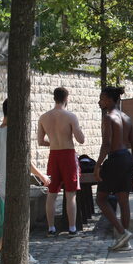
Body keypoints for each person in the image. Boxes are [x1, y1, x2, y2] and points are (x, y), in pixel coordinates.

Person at [0, 99, 50, 264]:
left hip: (2, 181)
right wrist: (41, 175)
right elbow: (26, 160)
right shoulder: (17, 132)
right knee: (18, 220)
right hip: (15, 182)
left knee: (15, 218)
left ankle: (24, 255)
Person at [94, 86, 133, 250]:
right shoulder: (126, 117)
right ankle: (124, 241)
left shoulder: (108, 117)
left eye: (102, 98)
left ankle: (122, 232)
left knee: (100, 198)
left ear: (111, 99)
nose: (100, 101)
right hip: (126, 158)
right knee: (123, 200)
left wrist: (97, 166)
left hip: (115, 159)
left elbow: (106, 144)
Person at [37, 87, 85, 237]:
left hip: (54, 155)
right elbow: (81, 140)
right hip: (68, 155)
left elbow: (40, 141)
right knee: (70, 193)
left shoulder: (43, 117)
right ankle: (72, 228)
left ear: (54, 98)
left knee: (51, 194)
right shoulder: (70, 116)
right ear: (67, 98)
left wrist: (53, 142)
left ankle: (51, 228)